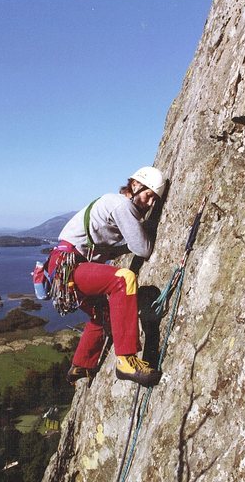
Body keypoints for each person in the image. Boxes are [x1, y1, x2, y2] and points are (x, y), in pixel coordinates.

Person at [48, 166, 165, 387]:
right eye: (149, 195)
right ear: (135, 185)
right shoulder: (120, 204)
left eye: (154, 200)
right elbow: (143, 249)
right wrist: (147, 230)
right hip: (71, 265)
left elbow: (113, 250)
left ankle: (81, 365)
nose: (150, 204)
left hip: (64, 267)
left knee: (104, 314)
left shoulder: (112, 204)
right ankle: (126, 360)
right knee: (123, 279)